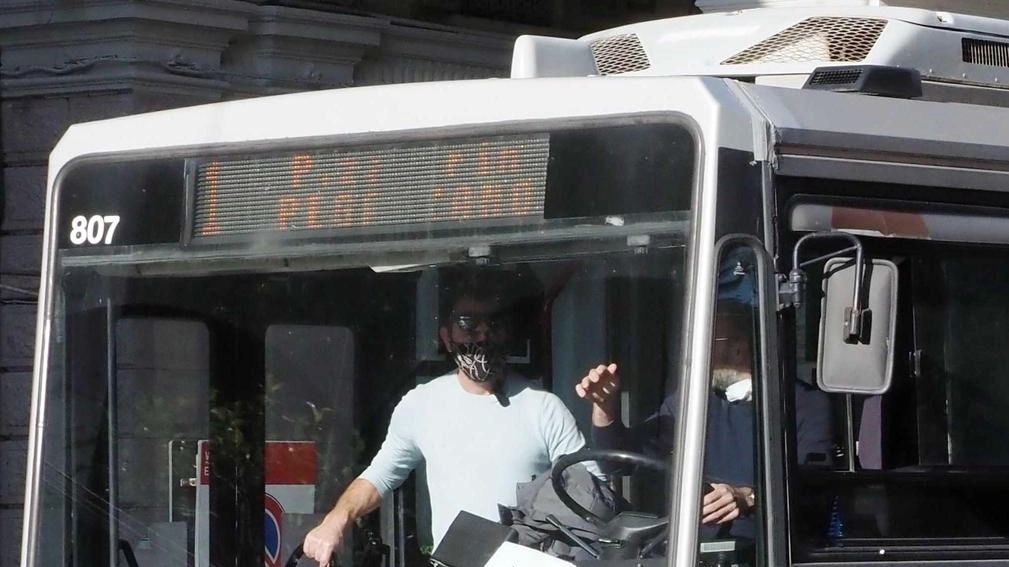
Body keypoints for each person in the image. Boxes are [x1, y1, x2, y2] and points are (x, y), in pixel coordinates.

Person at [303, 268, 592, 565]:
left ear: (508, 332)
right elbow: (381, 475)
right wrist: (337, 518)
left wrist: (604, 412)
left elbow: (591, 490)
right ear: (446, 335)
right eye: (468, 323)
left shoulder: (543, 407)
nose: (482, 334)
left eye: (494, 323)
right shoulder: (422, 404)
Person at [576, 301, 759, 538]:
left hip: (759, 549)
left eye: (708, 340)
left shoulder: (802, 403)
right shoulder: (691, 403)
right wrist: (604, 406)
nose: (695, 352)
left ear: (738, 348)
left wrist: (748, 496)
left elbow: (812, 488)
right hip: (685, 548)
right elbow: (619, 462)